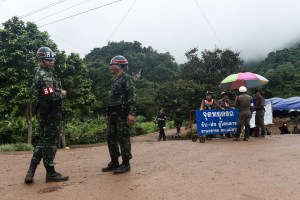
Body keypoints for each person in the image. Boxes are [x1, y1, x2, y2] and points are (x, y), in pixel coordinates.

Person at [24, 47, 68, 184]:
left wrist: (56, 90)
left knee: (42, 142)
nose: (52, 62)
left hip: (44, 113)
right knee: (51, 143)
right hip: (51, 114)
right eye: (48, 60)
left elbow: (44, 92)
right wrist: (62, 93)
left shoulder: (40, 74)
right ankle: (51, 173)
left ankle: (31, 171)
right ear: (41, 60)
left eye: (52, 60)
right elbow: (50, 95)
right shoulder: (45, 75)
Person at [102, 55, 136, 174]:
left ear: (119, 66)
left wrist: (131, 113)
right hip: (113, 115)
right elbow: (111, 99)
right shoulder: (115, 80)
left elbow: (132, 96)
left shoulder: (126, 79)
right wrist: (107, 114)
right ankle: (114, 161)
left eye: (112, 65)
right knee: (110, 137)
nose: (110, 67)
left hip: (122, 114)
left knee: (123, 137)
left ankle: (126, 163)